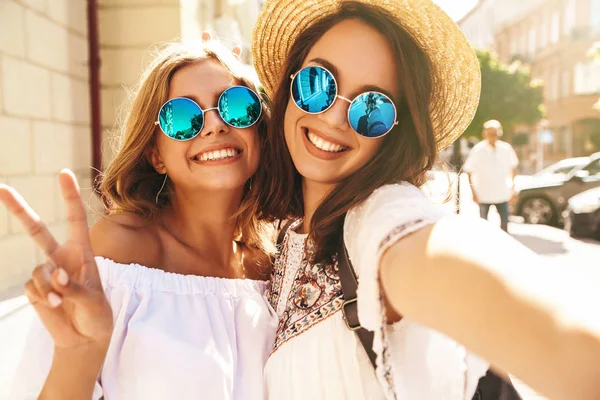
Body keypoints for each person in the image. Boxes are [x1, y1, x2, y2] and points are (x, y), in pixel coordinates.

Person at [250, 1, 600, 399]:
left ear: (394, 134)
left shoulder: (380, 218)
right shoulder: (280, 236)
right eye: (318, 83)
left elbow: (441, 256)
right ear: (291, 83)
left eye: (372, 108)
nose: (334, 118)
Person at [3, 39, 277, 399]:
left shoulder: (272, 269)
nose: (214, 126)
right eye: (182, 117)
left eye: (237, 106)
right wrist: (77, 355)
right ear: (156, 156)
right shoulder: (120, 252)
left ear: (259, 129)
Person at [463, 120, 519, 232]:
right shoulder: (477, 150)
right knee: (483, 227)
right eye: (490, 134)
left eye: (496, 134)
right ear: (485, 134)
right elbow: (468, 171)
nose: (493, 137)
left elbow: (513, 168)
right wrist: (473, 192)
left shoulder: (506, 149)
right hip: (483, 195)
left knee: (504, 226)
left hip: (502, 194)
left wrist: (513, 189)